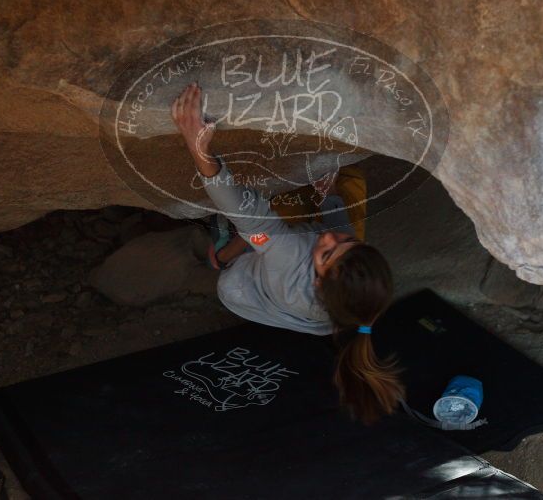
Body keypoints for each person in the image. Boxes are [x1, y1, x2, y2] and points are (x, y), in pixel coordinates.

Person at [171, 81, 405, 425]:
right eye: (348, 243)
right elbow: (338, 237)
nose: (329, 239)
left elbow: (248, 213)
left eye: (327, 255)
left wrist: (197, 146)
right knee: (347, 181)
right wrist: (328, 196)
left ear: (320, 280)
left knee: (274, 212)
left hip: (245, 287)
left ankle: (221, 254)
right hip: (299, 294)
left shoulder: (290, 258)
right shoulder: (359, 294)